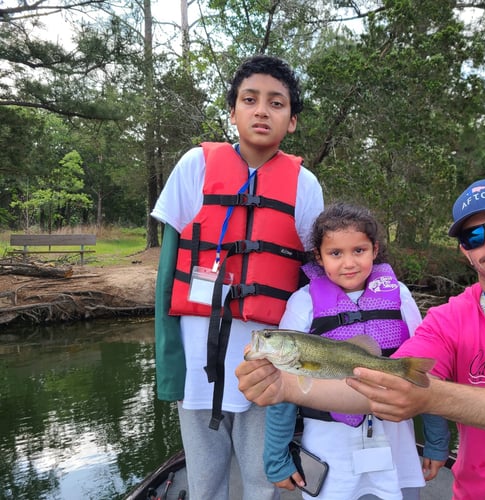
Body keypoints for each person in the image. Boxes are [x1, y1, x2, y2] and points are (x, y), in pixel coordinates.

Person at [236, 178, 485, 499]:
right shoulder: (447, 320)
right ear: (465, 253)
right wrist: (287, 385)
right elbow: (383, 385)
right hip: (483, 492)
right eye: (473, 237)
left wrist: (429, 399)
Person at [151, 54, 324, 500]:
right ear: (233, 112)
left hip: (268, 360)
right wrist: (169, 364)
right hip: (196, 360)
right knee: (204, 480)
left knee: (261, 477)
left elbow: (314, 281)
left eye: (276, 103)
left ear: (292, 121)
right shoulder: (195, 164)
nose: (262, 110)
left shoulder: (305, 184)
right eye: (250, 100)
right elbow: (168, 271)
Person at [263, 202, 450, 500]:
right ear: (319, 257)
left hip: (395, 439)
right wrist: (276, 458)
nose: (348, 263)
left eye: (358, 251)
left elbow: (426, 374)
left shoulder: (399, 294)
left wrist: (437, 440)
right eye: (336, 253)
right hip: (329, 444)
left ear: (375, 250)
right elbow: (284, 383)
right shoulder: (303, 302)